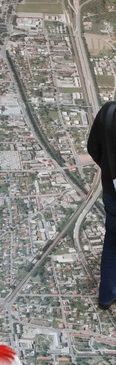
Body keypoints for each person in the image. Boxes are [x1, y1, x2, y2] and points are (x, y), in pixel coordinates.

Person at [87, 101, 116, 309]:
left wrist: (108, 172)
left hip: (112, 194)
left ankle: (106, 296)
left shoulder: (109, 112)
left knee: (112, 243)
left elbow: (93, 148)